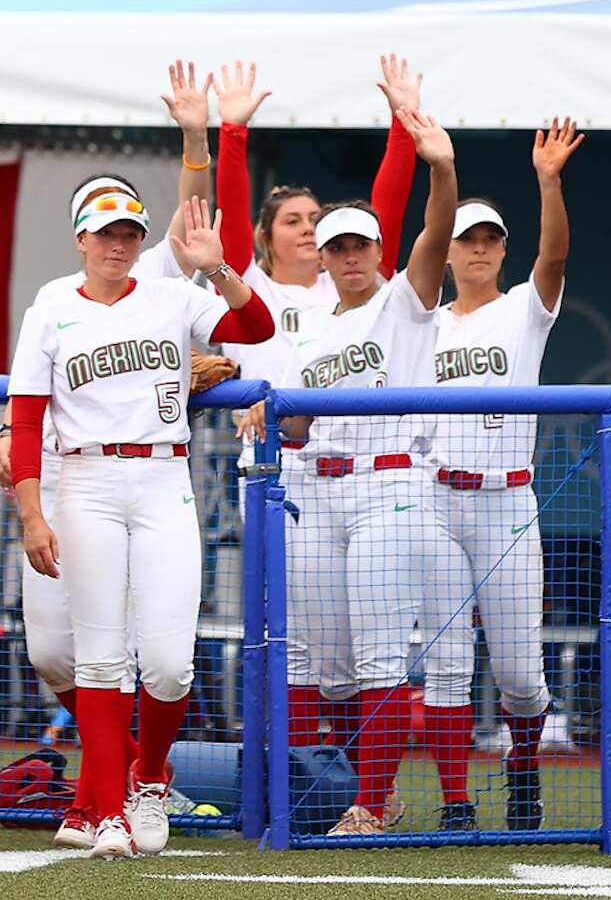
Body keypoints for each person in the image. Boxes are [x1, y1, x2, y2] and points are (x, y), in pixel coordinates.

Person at [9, 192, 276, 859]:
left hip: (162, 475)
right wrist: (32, 511)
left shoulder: (170, 296)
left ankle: (150, 777)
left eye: (129, 232)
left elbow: (257, 328)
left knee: (167, 661)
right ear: (81, 238)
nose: (117, 244)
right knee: (98, 658)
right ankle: (108, 813)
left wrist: (217, 269)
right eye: (105, 233)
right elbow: (25, 418)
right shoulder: (50, 308)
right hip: (86, 479)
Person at [217, 56, 420, 751]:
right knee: (295, 640)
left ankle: (351, 777)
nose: (309, 230)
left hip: (355, 473)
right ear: (265, 236)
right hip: (278, 476)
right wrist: (233, 134)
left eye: (318, 220)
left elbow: (385, 212)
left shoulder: (356, 288)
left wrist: (403, 122)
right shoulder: (256, 291)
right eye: (295, 220)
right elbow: (227, 222)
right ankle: (298, 773)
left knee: (354, 644)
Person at [279, 109, 459, 837]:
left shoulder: (402, 301)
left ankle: (371, 799)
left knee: (384, 646)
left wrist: (440, 169)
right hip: (319, 484)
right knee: (330, 656)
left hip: (390, 481)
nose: (350, 256)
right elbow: (297, 424)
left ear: (380, 248)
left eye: (360, 244)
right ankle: (352, 784)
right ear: (321, 258)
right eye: (337, 247)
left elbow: (437, 234)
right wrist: (258, 407)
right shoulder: (312, 331)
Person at [417, 119, 579, 832]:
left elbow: (554, 256)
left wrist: (549, 181)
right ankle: (455, 799)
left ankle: (522, 762)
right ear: (447, 251)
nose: (479, 248)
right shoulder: (422, 322)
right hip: (437, 496)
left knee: (518, 671)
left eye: (490, 238)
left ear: (502, 249)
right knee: (448, 664)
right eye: (467, 238)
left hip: (507, 497)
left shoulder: (523, 312)